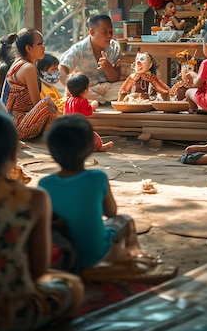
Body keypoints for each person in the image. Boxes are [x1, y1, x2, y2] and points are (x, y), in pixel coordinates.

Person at [0, 110, 83, 331]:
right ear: (13, 152)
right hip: (11, 316)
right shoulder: (33, 199)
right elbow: (38, 271)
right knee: (72, 286)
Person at [39, 115, 163, 275]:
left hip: (62, 255)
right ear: (90, 148)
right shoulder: (97, 178)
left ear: (50, 150)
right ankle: (131, 260)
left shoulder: (45, 184)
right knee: (125, 221)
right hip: (95, 256)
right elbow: (111, 212)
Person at [4, 28, 59, 140]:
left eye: (43, 43)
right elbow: (37, 104)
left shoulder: (17, 64)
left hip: (12, 124)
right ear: (28, 48)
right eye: (40, 44)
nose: (44, 47)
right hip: (19, 126)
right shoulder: (28, 68)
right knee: (47, 102)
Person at [59, 14, 124, 105]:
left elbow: (114, 78)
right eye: (105, 32)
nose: (109, 36)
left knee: (127, 87)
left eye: (111, 31)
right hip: (86, 90)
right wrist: (72, 88)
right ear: (92, 32)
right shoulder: (78, 49)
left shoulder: (114, 47)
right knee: (78, 94)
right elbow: (62, 68)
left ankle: (96, 101)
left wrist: (108, 67)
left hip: (107, 87)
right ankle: (97, 100)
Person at [65, 72, 113, 151]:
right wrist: (94, 104)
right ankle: (100, 147)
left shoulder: (68, 99)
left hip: (67, 126)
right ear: (85, 90)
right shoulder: (82, 101)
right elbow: (88, 112)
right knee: (93, 137)